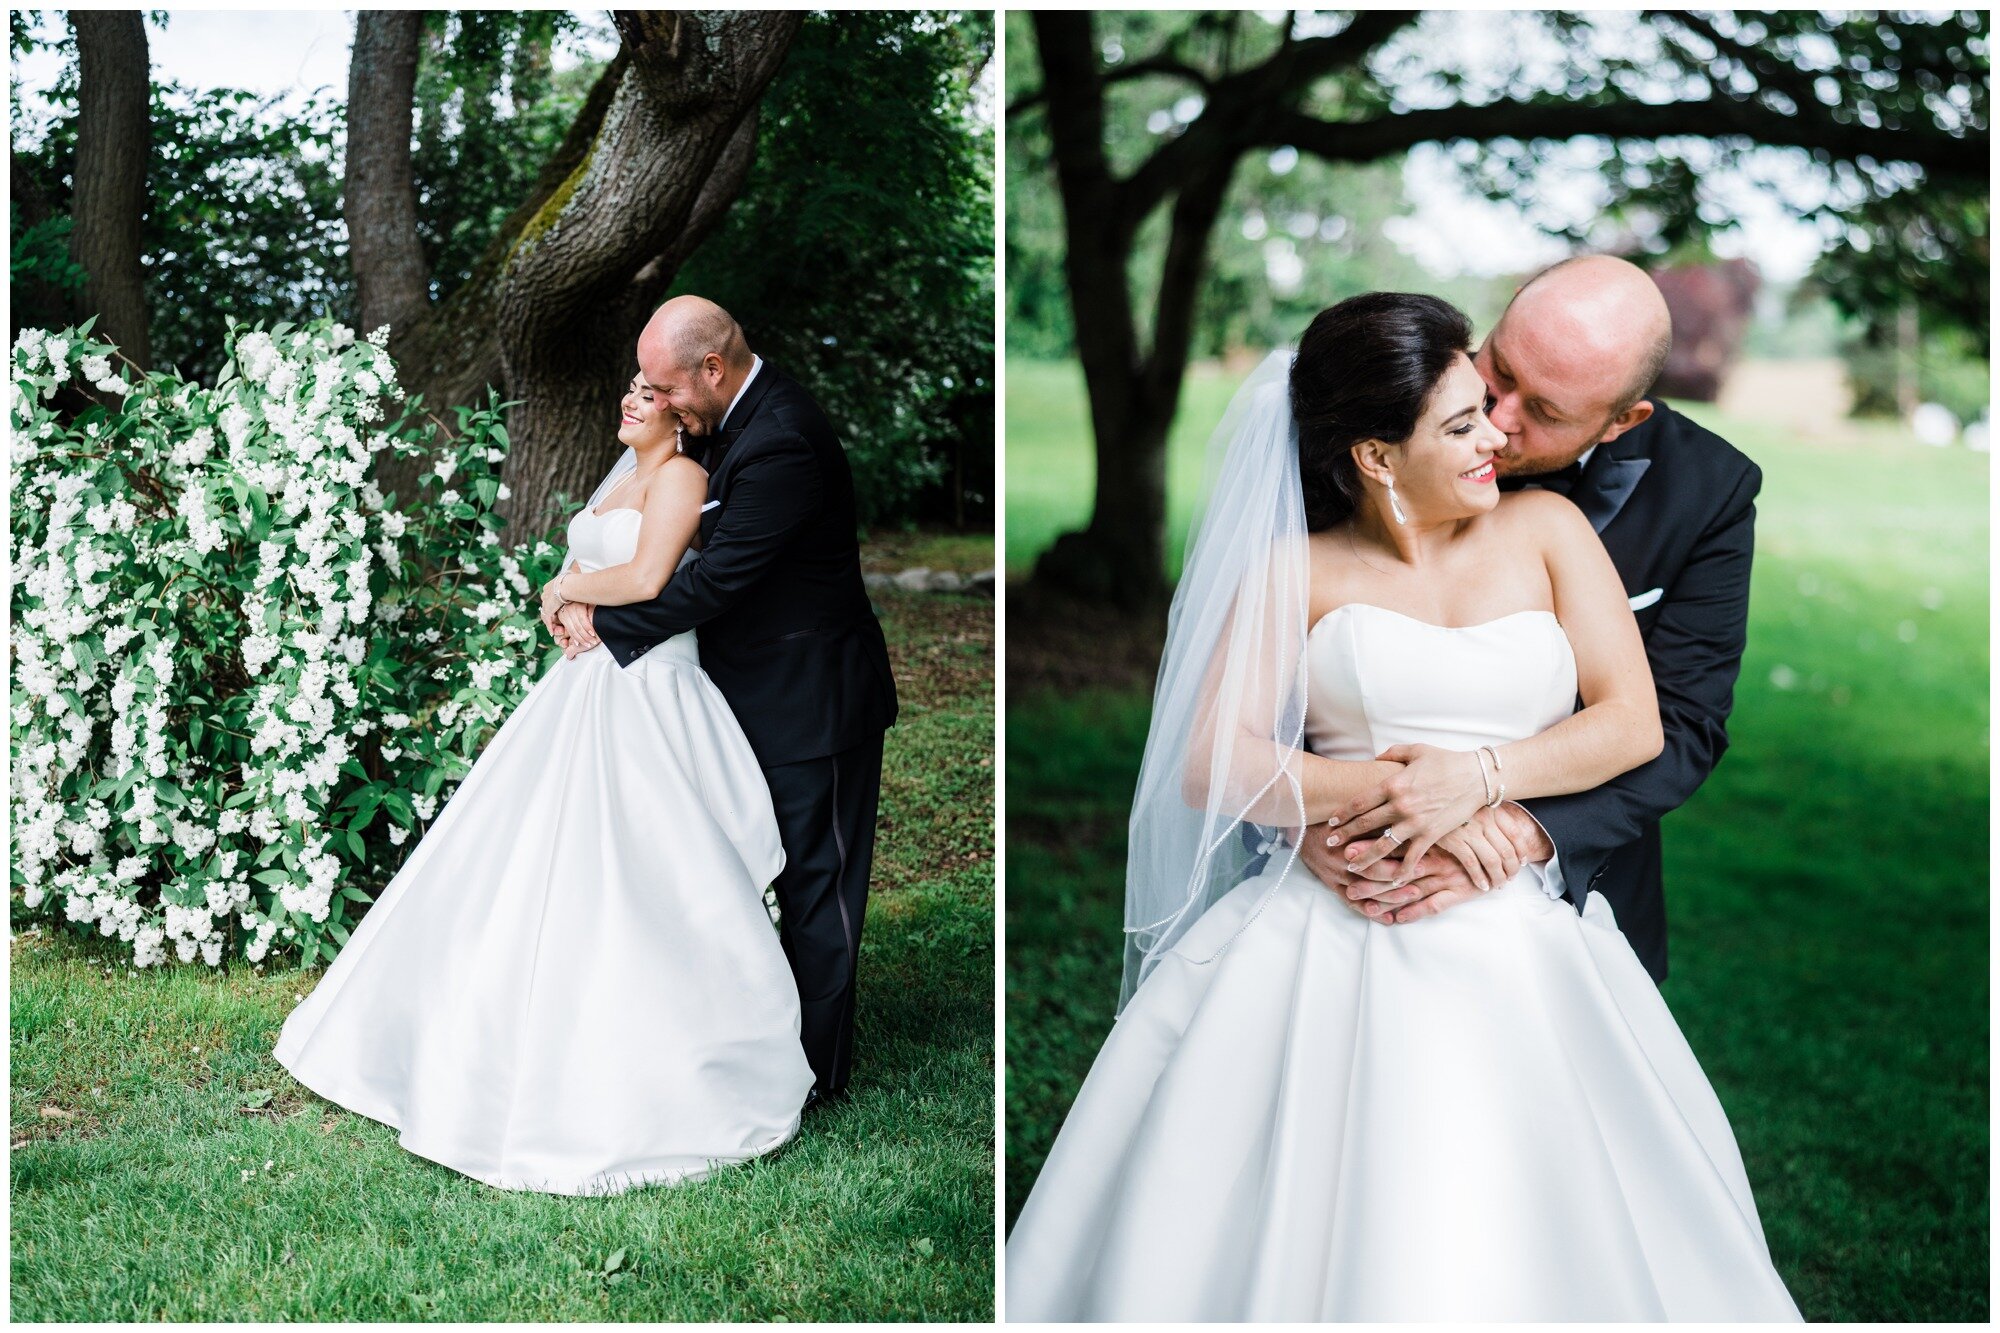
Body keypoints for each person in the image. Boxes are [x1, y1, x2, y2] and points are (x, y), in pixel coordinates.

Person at [1004, 293, 1800, 1320]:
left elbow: (1642, 723)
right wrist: (1367, 799)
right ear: (1376, 455)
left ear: (1615, 422)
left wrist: (1479, 789)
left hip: (1514, 926)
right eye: (1472, 408)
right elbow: (1213, 756)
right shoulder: (1295, 559)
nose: (1497, 431)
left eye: (1517, 412)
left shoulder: (1552, 526)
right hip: (1326, 917)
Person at [275, 358, 814, 1195]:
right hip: (587, 684)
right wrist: (564, 608)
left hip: (653, 687)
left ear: (680, 415)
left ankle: (664, 1064)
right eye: (628, 391)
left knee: (651, 873)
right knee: (527, 860)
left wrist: (567, 588)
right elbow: (606, 574)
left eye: (649, 394)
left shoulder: (682, 478)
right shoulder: (613, 486)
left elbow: (647, 578)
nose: (631, 402)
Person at [1312, 257, 1759, 990]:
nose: (1495, 420)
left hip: (1566, 894)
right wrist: (1313, 823)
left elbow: (1680, 724)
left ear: (1623, 420)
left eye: (1545, 413)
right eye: (1500, 370)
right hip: (1348, 872)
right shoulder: (1382, 416)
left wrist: (1510, 835)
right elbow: (1292, 648)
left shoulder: (1706, 493)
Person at [556, 296, 898, 1101]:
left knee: (819, 887)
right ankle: (741, 1041)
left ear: (713, 369)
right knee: (731, 869)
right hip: (733, 693)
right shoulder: (719, 424)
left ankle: (818, 1074)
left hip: (814, 704)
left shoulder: (782, 440)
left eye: (666, 387)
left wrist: (603, 618)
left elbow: (716, 581)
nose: (657, 401)